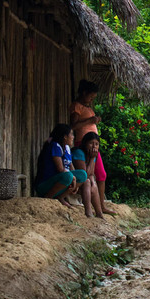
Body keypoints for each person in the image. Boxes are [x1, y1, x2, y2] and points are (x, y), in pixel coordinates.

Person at [70, 80, 116, 215]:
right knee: (95, 175)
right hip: (83, 144)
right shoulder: (76, 106)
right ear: (84, 93)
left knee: (99, 175)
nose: (91, 99)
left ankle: (101, 206)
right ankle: (99, 207)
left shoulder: (87, 108)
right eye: (91, 96)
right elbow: (72, 126)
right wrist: (90, 121)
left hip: (92, 144)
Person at [36, 123, 77, 207]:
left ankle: (60, 197)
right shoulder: (55, 146)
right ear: (65, 137)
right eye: (71, 134)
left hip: (59, 181)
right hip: (46, 184)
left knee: (83, 175)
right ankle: (49, 197)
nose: (73, 137)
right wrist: (73, 177)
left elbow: (71, 166)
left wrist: (76, 179)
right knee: (68, 176)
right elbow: (61, 169)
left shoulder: (67, 148)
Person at [72, 132, 104, 218]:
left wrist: (92, 158)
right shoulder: (79, 152)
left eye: (96, 144)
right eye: (91, 143)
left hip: (85, 183)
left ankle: (99, 213)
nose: (94, 147)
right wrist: (93, 158)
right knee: (88, 181)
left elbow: (91, 173)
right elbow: (84, 174)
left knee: (92, 180)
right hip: (74, 182)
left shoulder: (91, 155)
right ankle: (90, 212)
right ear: (85, 143)